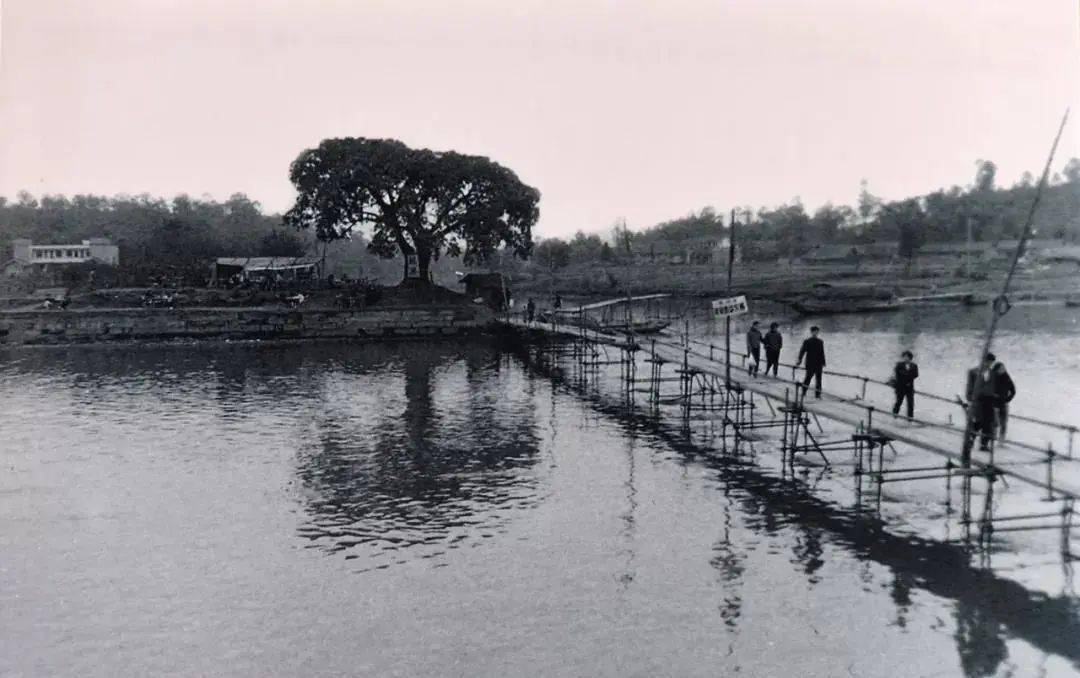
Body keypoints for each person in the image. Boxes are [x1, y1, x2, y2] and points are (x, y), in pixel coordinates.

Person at [966, 353, 1001, 452]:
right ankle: (970, 440)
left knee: (989, 424)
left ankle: (984, 444)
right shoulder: (973, 372)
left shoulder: (993, 373)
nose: (989, 364)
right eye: (988, 362)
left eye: (991, 362)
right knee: (978, 422)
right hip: (978, 401)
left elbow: (995, 387)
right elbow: (969, 386)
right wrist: (970, 397)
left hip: (989, 401)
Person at [796, 326, 826, 399]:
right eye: (814, 331)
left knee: (819, 379)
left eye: (817, 332)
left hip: (819, 363)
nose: (816, 333)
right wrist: (799, 360)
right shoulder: (807, 341)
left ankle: (818, 394)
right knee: (808, 378)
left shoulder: (820, 341)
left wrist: (824, 362)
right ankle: (804, 392)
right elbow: (802, 351)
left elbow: (822, 352)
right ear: (811, 332)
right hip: (810, 363)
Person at [991, 359, 1016, 441]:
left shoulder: (1006, 377)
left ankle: (1002, 439)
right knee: (994, 422)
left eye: (1003, 368)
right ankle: (992, 438)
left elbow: (1013, 390)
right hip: (994, 404)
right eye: (1001, 368)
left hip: (1004, 404)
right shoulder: (992, 377)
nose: (1003, 370)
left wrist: (1008, 399)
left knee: (1004, 423)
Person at [891, 350, 919, 419]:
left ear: (910, 358)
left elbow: (916, 375)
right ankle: (895, 414)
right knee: (899, 401)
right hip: (901, 387)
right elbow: (897, 373)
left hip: (910, 387)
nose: (905, 358)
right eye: (904, 357)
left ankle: (910, 418)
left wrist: (908, 377)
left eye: (907, 357)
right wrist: (907, 376)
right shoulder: (899, 365)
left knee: (910, 403)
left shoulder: (914, 366)